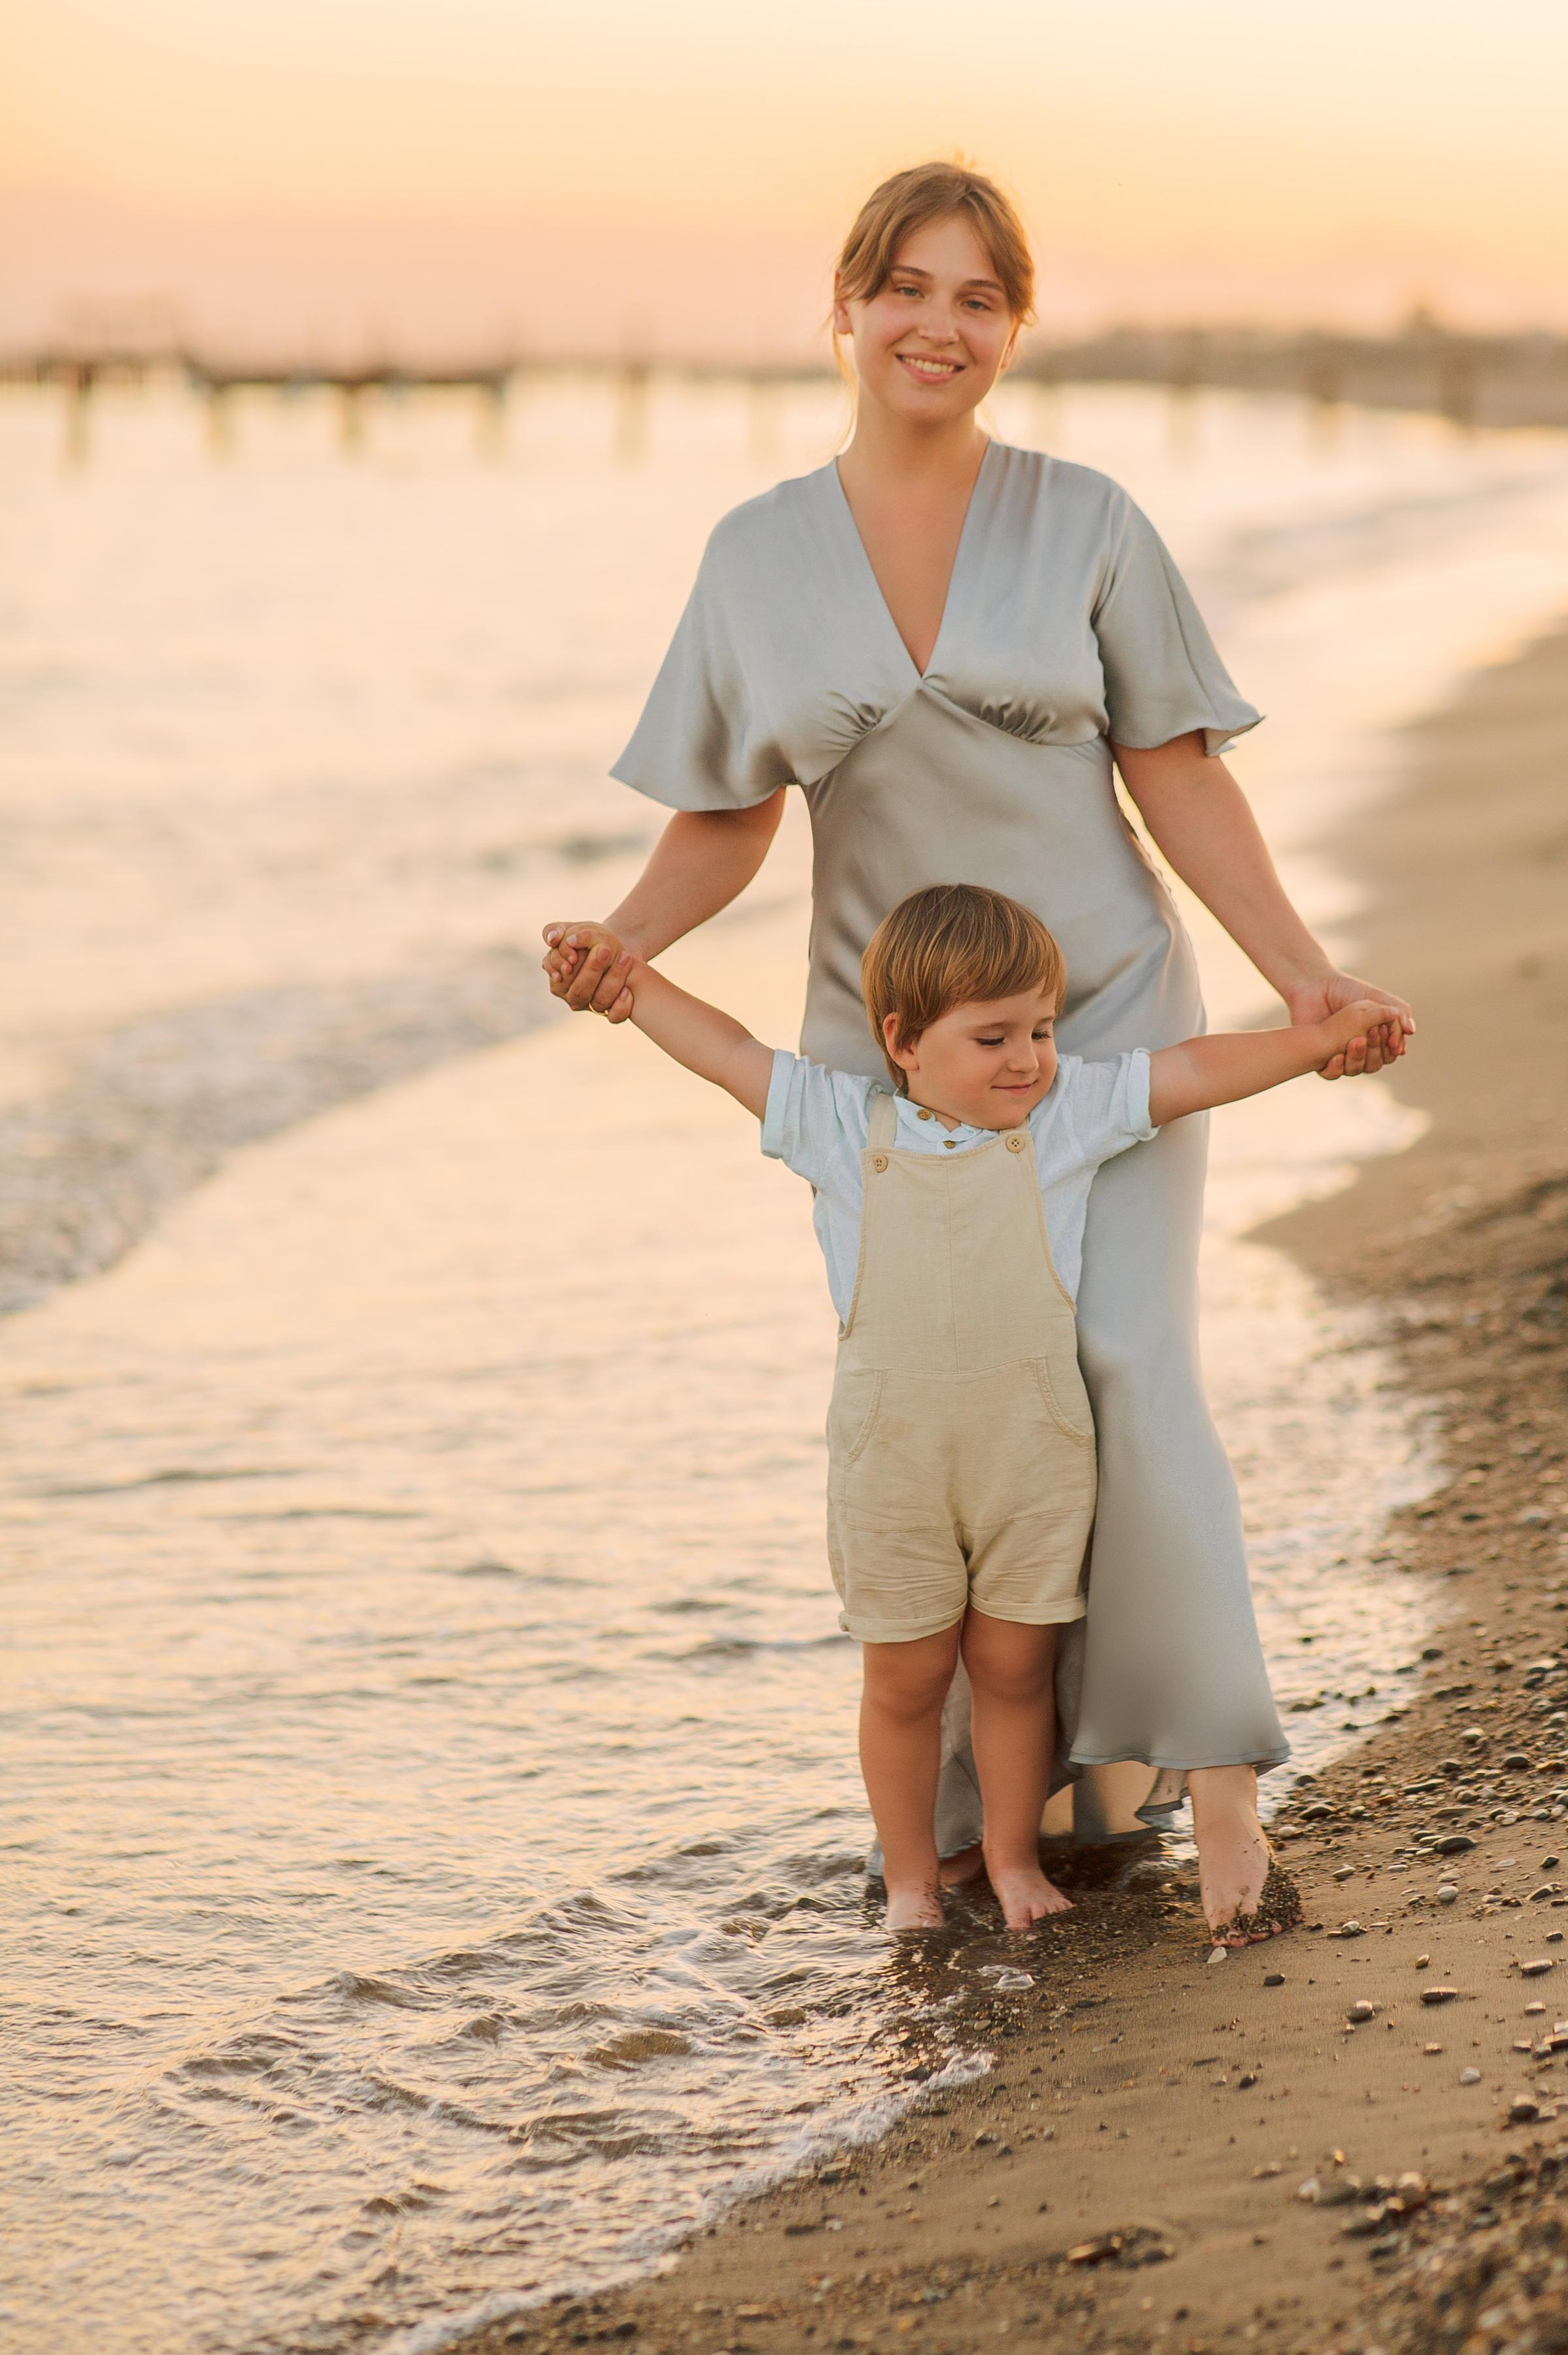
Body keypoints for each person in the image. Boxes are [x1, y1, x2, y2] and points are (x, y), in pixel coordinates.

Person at [543, 159, 1413, 1943]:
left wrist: (1301, 981)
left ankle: (1223, 1794)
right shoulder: (752, 554)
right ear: (845, 306)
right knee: (960, 1405)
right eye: (906, 289)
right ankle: (1028, 1820)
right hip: (881, 1059)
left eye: (977, 297)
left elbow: (1175, 766)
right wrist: (625, 948)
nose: (938, 326)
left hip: (1095, 1010)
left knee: (1121, 1363)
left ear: (1013, 326)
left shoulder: (1083, 516)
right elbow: (728, 819)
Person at [566, 880, 1399, 1931]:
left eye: (1043, 1030)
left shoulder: (1064, 1120)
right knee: (906, 1681)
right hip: (893, 1465)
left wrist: (1317, 1040)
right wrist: (623, 981)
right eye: (994, 1035)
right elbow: (727, 1049)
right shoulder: (838, 1126)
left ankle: (1011, 1861)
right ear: (904, 1040)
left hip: (1032, 1457)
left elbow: (1190, 1070)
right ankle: (913, 1878)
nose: (1028, 1059)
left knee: (1014, 1672)